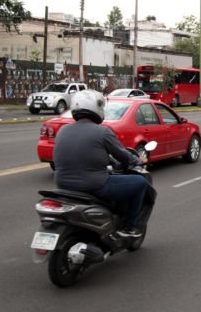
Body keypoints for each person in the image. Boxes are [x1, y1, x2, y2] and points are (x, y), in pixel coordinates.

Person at [53, 90, 149, 238]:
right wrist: (137, 161)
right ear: (96, 108)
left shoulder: (63, 130)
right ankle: (130, 228)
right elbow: (122, 154)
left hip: (62, 185)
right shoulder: (102, 132)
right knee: (140, 182)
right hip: (93, 185)